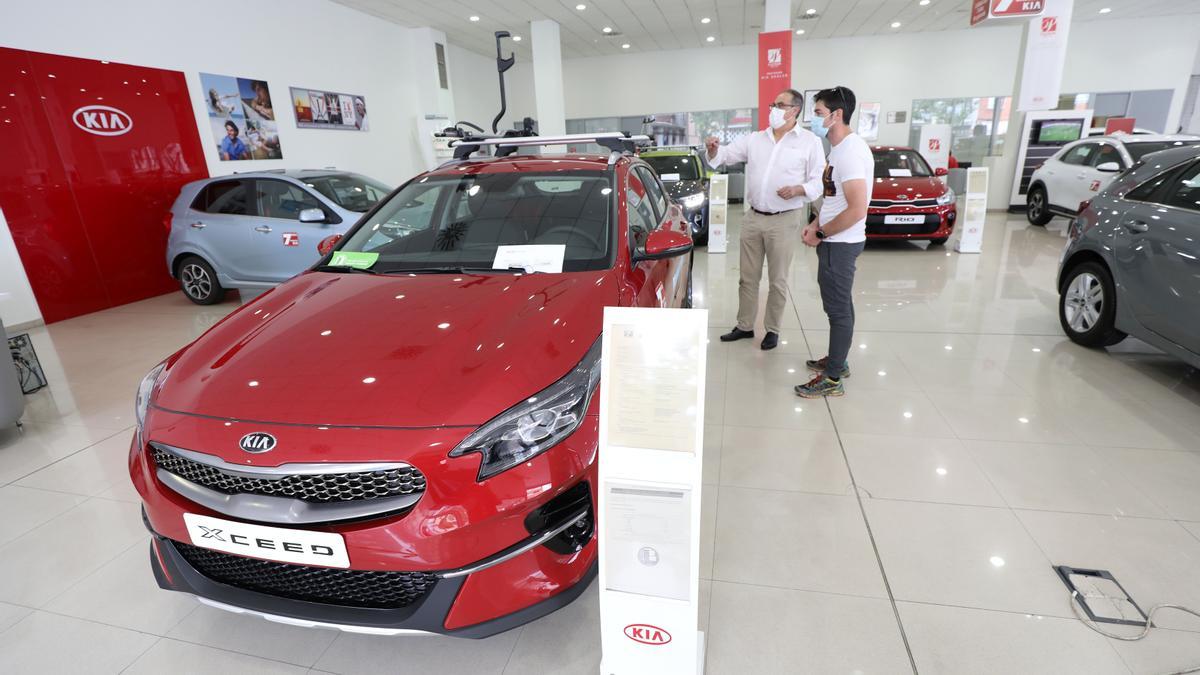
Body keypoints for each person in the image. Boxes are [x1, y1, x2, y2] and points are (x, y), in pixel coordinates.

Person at [705, 88, 825, 351]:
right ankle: (745, 325)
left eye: (779, 105)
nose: (773, 109)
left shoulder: (809, 142)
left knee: (778, 279)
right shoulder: (756, 139)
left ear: (794, 110)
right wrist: (713, 150)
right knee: (747, 278)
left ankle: (772, 329)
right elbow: (724, 156)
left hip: (784, 219)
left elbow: (818, 181)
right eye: (773, 104)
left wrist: (798, 189)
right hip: (753, 217)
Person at [795, 86, 873, 398]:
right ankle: (838, 361)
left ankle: (832, 378)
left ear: (836, 115)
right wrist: (815, 223)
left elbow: (856, 209)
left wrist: (822, 233)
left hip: (841, 243)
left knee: (838, 309)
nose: (813, 120)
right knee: (838, 305)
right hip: (833, 240)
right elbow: (834, 200)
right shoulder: (838, 150)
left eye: (817, 114)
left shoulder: (852, 151)